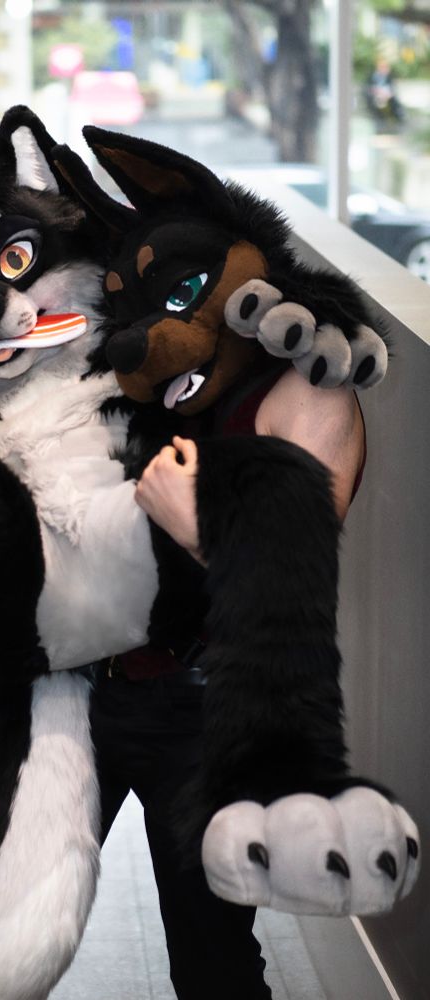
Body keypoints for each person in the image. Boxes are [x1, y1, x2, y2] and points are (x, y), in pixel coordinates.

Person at [90, 364, 365, 1000]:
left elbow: (293, 578)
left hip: (203, 711)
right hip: (75, 685)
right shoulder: (139, 357)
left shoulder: (309, 388)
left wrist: (192, 525)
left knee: (212, 963)